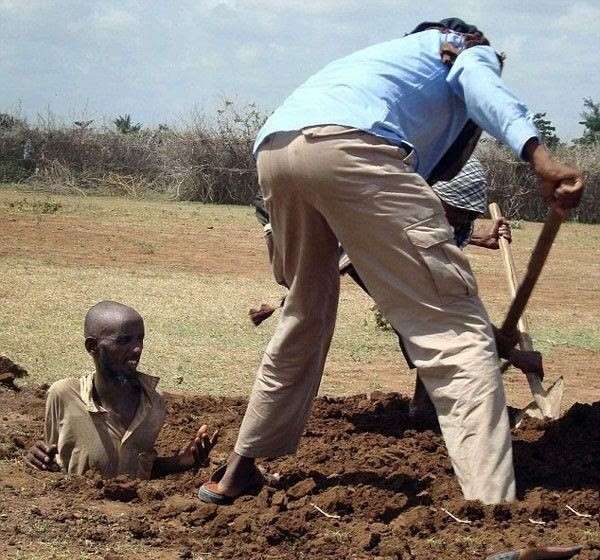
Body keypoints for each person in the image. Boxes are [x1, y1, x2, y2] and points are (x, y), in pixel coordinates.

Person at [198, 17, 583, 506]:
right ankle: (493, 511)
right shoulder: (462, 49)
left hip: (278, 149)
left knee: (304, 314)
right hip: (355, 147)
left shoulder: (380, 65)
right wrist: (541, 159)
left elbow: (377, 253)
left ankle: (235, 474)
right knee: (455, 330)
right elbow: (480, 83)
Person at [250, 155, 544, 425]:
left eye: (467, 217)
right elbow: (444, 302)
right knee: (317, 314)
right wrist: (512, 353)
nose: (459, 222)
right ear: (428, 195)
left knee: (420, 317)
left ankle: (427, 405)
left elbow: (437, 248)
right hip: (298, 214)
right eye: (455, 213)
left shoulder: (424, 207)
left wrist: (479, 236)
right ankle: (271, 422)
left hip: (348, 228)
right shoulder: (389, 218)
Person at [26, 300, 218, 479]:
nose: (137, 349)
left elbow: (138, 472)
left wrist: (182, 461)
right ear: (93, 347)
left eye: (140, 339)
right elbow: (52, 463)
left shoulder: (152, 402)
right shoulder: (64, 395)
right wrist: (39, 459)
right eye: (124, 341)